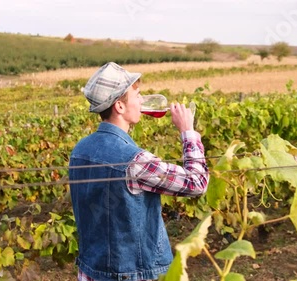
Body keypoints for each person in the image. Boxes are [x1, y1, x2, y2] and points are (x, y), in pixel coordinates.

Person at [69, 62, 209, 281]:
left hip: (91, 271)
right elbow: (196, 183)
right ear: (120, 107)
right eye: (137, 94)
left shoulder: (79, 150)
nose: (143, 100)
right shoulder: (137, 162)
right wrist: (188, 132)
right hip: (133, 275)